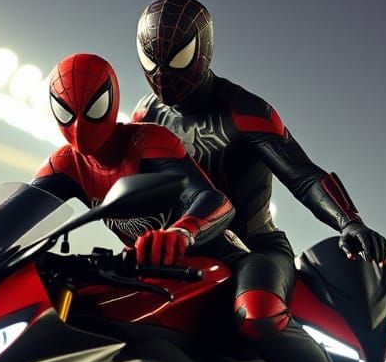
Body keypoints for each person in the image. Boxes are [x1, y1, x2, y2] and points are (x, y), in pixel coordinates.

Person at [133, 0, 386, 362]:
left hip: (255, 251)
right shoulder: (145, 117)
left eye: (176, 60)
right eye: (151, 62)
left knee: (256, 314)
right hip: (186, 261)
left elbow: (303, 174)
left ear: (202, 51)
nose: (163, 75)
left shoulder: (244, 109)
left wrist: (350, 220)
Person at [30, 52, 234, 269]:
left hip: (216, 259)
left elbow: (216, 200)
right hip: (143, 267)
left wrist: (181, 232)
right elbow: (16, 215)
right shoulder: (65, 164)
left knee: (256, 302)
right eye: (65, 112)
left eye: (95, 108)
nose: (79, 128)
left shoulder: (148, 142)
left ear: (112, 99)